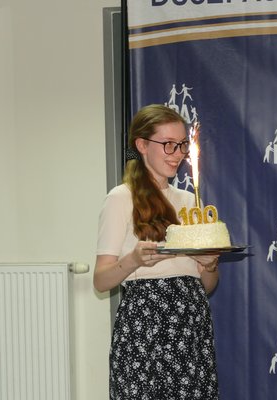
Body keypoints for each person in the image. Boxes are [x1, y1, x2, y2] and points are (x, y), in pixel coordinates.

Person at [94, 104, 220, 399]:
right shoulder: (120, 199)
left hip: (191, 324)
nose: (178, 153)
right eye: (168, 144)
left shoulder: (189, 201)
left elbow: (207, 285)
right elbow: (100, 280)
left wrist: (209, 265)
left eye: (182, 145)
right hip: (145, 324)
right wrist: (133, 260)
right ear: (142, 145)